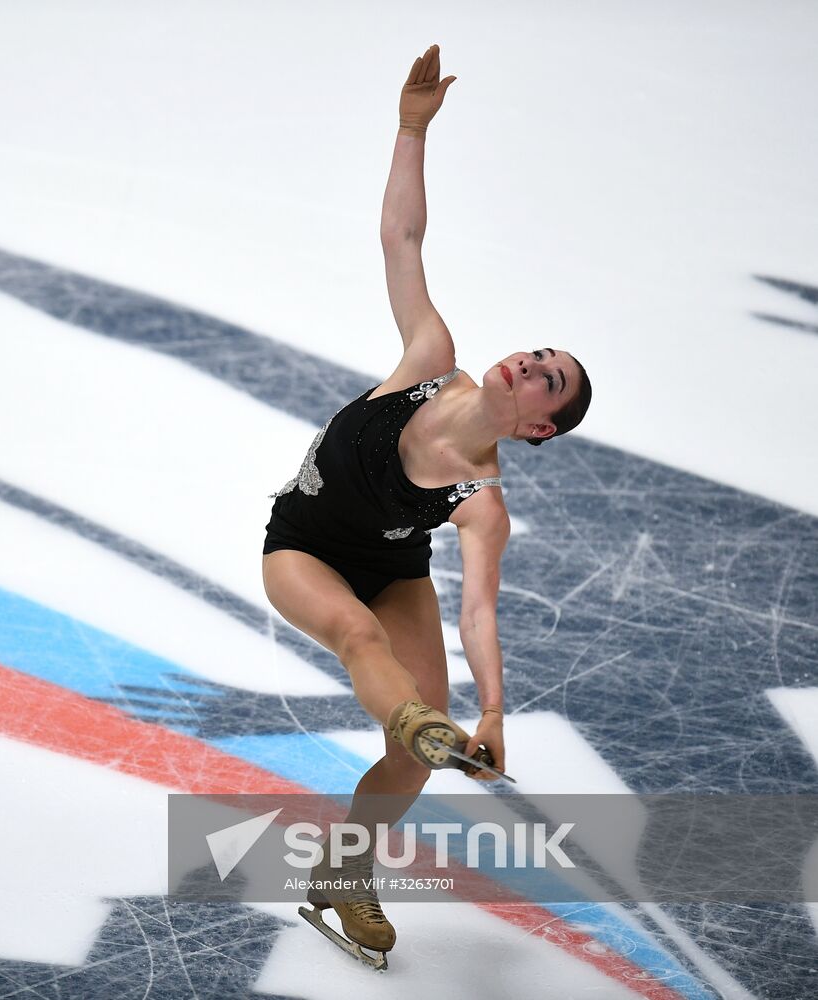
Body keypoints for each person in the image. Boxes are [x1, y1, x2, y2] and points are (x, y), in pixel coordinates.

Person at [262, 43, 592, 971]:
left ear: (536, 430)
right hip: (305, 547)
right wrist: (411, 130)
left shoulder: (482, 500)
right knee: (376, 665)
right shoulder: (429, 358)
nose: (529, 364)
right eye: (536, 355)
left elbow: (478, 607)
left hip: (391, 567)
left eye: (548, 381)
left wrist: (489, 712)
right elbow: (401, 241)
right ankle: (408, 718)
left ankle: (342, 874)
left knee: (419, 746)